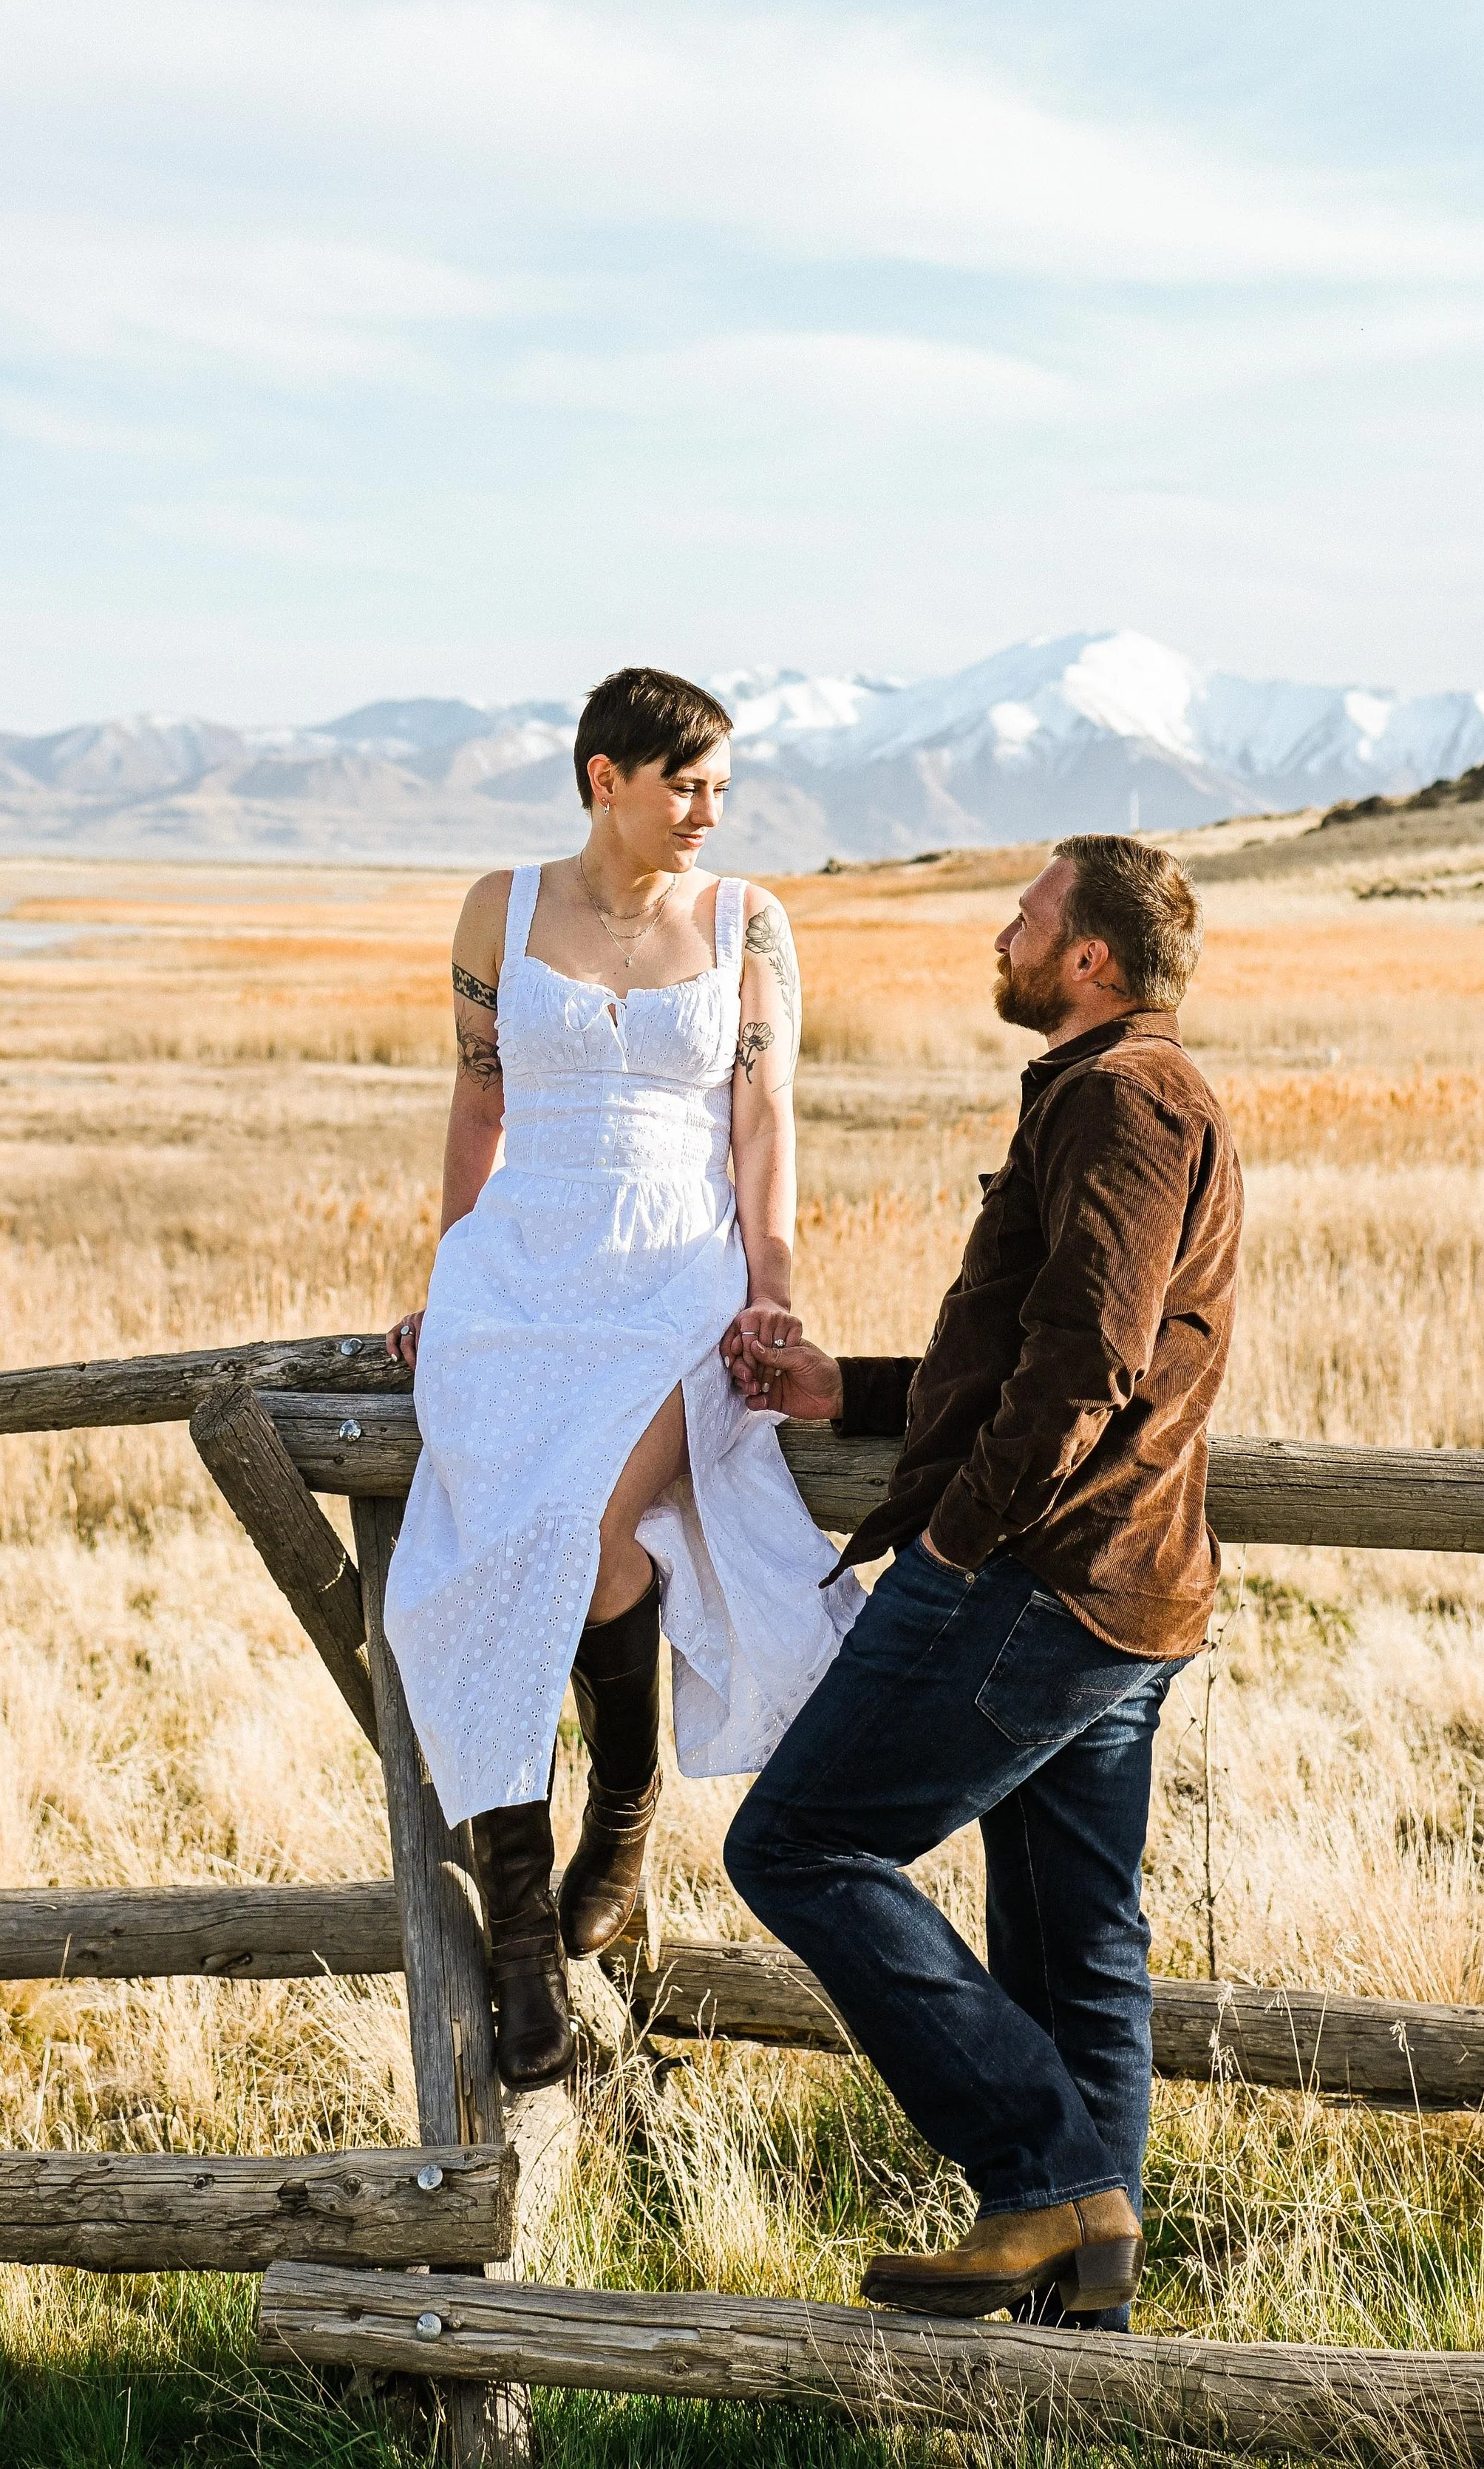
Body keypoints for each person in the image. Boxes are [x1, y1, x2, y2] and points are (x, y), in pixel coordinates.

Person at [724, 835, 1242, 2329]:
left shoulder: (1123, 1097)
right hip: (1118, 1591)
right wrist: (848, 1393)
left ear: (1086, 957)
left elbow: (1088, 1363)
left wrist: (952, 1544)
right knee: (1074, 1951)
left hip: (1036, 1581)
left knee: (798, 1849)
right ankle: (1078, 2320)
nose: (997, 935)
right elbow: (1035, 1350)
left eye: (1022, 917)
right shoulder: (1121, 1095)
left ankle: (1037, 2181)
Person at [385, 665, 860, 2091]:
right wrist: (446, 1276)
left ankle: (631, 1806)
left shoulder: (749, 922)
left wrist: (770, 1288)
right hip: (521, 1268)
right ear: (606, 776)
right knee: (493, 1557)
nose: (712, 810)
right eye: (686, 785)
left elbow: (763, 1114)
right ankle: (522, 1946)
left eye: (724, 786)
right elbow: (480, 1096)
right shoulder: (500, 909)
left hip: (673, 1271)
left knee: (592, 1538)